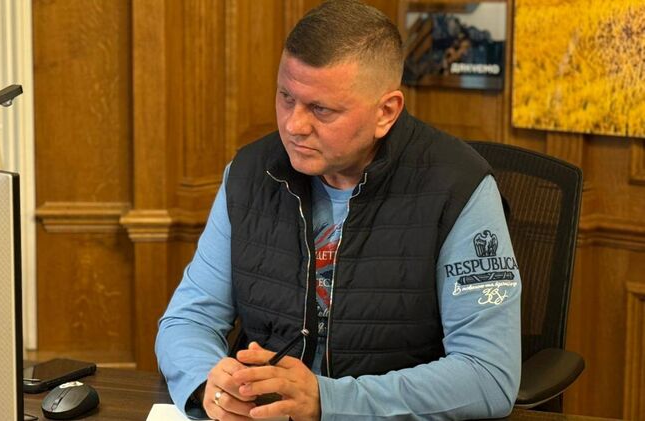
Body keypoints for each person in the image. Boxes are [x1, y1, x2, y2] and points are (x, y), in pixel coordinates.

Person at [155, 1, 521, 420]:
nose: (294, 125)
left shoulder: (459, 188)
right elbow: (187, 320)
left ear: (386, 112)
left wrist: (328, 401)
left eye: (321, 109)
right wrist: (210, 384)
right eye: (286, 97)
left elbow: (487, 374)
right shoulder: (250, 173)